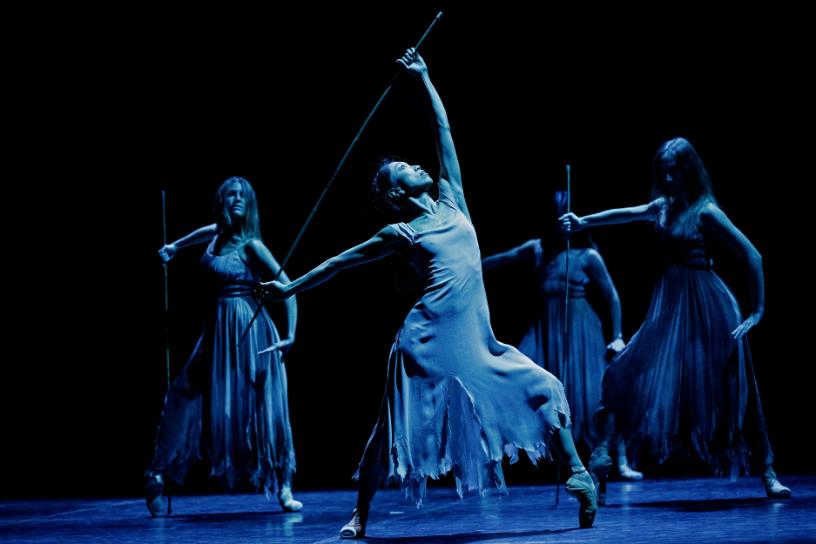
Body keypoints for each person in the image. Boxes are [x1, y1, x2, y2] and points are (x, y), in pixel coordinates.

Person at [261, 49, 597, 539]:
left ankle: (578, 473)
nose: (416, 165)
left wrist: (424, 79)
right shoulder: (403, 232)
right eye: (404, 168)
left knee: (540, 384)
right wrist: (290, 285)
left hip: (476, 341)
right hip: (423, 343)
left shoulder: (452, 199)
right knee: (388, 431)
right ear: (397, 192)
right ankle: (360, 515)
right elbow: (340, 262)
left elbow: (444, 135)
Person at [560, 137, 790, 500]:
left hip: (710, 307)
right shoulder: (662, 207)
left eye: (674, 173)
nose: (668, 180)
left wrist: (758, 311)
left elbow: (753, 255)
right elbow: (626, 214)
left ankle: (768, 470)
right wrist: (583, 220)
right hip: (669, 307)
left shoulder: (706, 211)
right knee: (626, 372)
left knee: (735, 388)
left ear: (688, 172)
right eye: (662, 173)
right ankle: (601, 465)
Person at [145, 176, 302, 516]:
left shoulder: (252, 246)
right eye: (230, 194)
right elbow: (201, 234)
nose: (236, 199)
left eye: (243, 195)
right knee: (182, 392)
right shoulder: (216, 236)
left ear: (251, 204)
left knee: (266, 406)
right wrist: (174, 246)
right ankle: (157, 472)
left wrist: (290, 334)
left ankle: (284, 485)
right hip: (217, 330)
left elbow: (289, 285)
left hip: (251, 330)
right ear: (221, 200)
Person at [482, 191, 643, 487]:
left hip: (581, 330)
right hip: (547, 328)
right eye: (554, 214)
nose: (559, 221)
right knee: (523, 385)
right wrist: (465, 266)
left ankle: (618, 460)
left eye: (564, 213)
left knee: (596, 394)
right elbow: (501, 260)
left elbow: (612, 297)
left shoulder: (588, 256)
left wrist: (617, 336)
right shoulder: (539, 249)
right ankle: (500, 461)